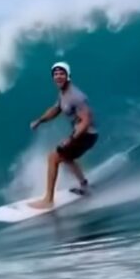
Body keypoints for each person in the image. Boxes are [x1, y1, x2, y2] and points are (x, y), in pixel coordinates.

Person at [28, 61, 98, 209]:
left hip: (86, 135)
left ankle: (48, 200)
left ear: (68, 76)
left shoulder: (76, 96)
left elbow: (87, 120)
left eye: (61, 73)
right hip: (81, 134)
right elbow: (56, 109)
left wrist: (71, 139)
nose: (58, 76)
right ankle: (84, 186)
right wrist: (40, 121)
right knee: (66, 157)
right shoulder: (63, 93)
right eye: (55, 74)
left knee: (53, 157)